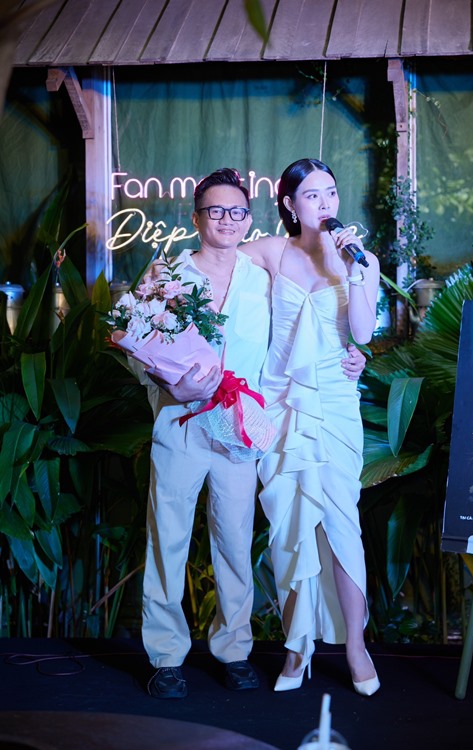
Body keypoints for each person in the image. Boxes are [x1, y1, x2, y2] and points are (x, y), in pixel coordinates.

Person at [139, 167, 367, 699]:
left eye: (237, 211)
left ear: (250, 218)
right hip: (179, 422)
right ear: (196, 218)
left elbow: (312, 326)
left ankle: (234, 649)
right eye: (216, 211)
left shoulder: (259, 273)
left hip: (240, 428)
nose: (227, 220)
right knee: (166, 539)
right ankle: (166, 657)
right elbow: (136, 340)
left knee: (236, 541)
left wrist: (356, 357)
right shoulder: (168, 273)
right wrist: (164, 379)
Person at [241, 158, 381, 695]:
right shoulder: (271, 252)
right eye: (313, 195)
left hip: (334, 402)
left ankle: (355, 645)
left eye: (331, 193)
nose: (325, 204)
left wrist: (353, 270)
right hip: (279, 403)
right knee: (289, 528)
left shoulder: (360, 259)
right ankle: (297, 645)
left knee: (342, 524)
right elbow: (214, 263)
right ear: (289, 204)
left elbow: (362, 333)